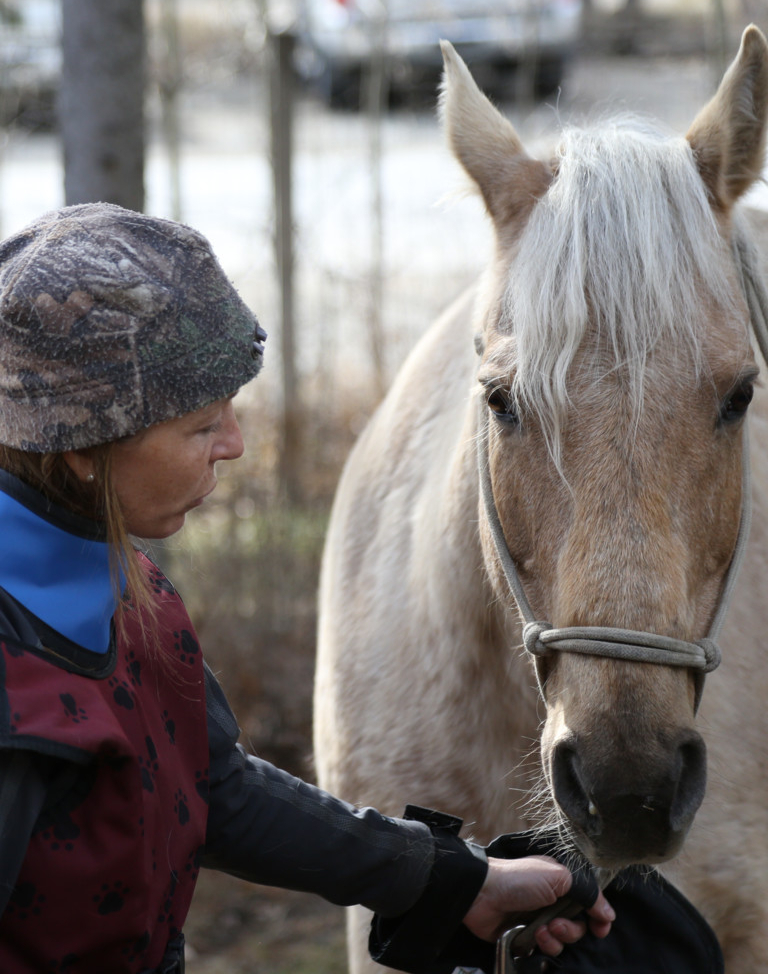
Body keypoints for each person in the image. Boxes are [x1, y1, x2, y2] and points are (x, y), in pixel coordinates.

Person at [0, 202, 614, 974]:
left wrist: (458, 881)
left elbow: (214, 789)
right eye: (199, 426)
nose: (235, 444)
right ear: (83, 446)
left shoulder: (126, 586)